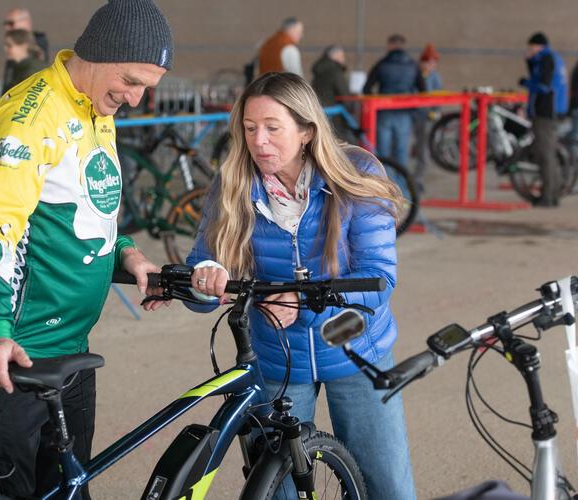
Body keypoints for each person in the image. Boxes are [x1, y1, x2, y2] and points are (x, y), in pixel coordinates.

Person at [0, 0, 174, 498]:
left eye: (146, 88)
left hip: (70, 350)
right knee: (7, 491)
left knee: (68, 490)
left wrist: (129, 254)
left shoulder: (95, 103)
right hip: (14, 349)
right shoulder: (30, 115)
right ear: (100, 53)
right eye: (133, 81)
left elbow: (85, 210)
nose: (136, 99)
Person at [185, 72, 416, 499]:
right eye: (250, 129)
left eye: (273, 128)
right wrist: (204, 281)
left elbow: (379, 278)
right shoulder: (233, 181)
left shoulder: (356, 172)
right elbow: (202, 269)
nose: (259, 141)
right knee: (275, 489)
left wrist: (303, 298)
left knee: (388, 486)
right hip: (276, 355)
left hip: (356, 348)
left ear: (307, 131)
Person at [519, 31, 568, 207]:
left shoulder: (547, 59)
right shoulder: (550, 58)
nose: (529, 50)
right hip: (551, 111)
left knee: (545, 155)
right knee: (548, 155)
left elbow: (543, 85)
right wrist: (530, 62)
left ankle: (548, 196)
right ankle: (552, 195)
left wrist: (525, 83)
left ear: (538, 46)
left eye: (531, 47)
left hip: (546, 113)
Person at [363, 33, 425, 168]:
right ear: (402, 45)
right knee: (401, 154)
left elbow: (366, 89)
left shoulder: (381, 64)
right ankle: (402, 186)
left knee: (383, 155)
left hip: (384, 113)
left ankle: (384, 185)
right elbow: (423, 91)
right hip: (404, 115)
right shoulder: (412, 65)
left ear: (390, 45)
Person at [412, 42, 443, 190]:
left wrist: (436, 111)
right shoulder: (415, 75)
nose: (431, 65)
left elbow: (438, 96)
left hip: (427, 117)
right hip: (414, 116)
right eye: (428, 62)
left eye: (433, 63)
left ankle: (417, 178)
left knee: (424, 150)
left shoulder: (435, 78)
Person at [311, 44, 354, 141]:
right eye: (342, 56)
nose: (344, 59)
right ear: (336, 56)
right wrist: (351, 109)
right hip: (334, 112)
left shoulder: (318, 70)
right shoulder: (335, 71)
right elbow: (344, 93)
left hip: (319, 108)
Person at [1, 29, 46, 94]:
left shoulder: (32, 70)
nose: (5, 49)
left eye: (9, 45)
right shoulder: (18, 67)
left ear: (24, 46)